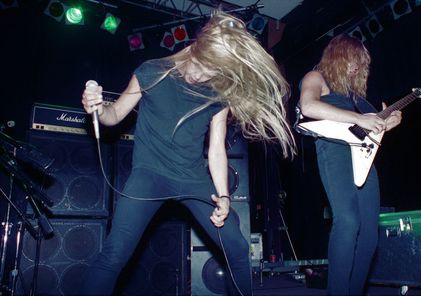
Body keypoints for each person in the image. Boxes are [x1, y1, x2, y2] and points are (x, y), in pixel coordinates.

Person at [79, 10, 295, 295]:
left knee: (238, 248)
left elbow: (216, 147)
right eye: (204, 66)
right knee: (115, 254)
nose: (204, 76)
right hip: (150, 175)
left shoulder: (218, 92)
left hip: (193, 179)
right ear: (196, 47)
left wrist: (225, 196)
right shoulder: (151, 71)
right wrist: (96, 108)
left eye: (214, 72)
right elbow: (113, 115)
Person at [298, 34, 402, 295]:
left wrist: (388, 122)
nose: (356, 66)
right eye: (353, 59)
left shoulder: (358, 98)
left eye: (361, 63)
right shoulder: (316, 78)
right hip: (333, 149)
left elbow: (371, 126)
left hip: (364, 158)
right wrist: (359, 118)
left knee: (369, 237)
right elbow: (308, 106)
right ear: (339, 55)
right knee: (347, 221)